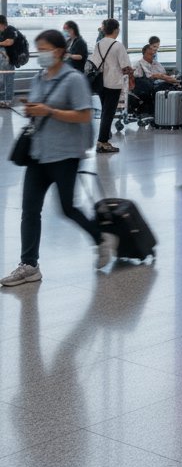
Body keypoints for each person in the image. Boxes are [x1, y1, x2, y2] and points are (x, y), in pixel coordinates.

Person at [1, 30, 116, 287]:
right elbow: (40, 110)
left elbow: (84, 115)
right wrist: (32, 108)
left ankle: (100, 239)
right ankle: (29, 264)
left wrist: (49, 111)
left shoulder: (73, 79)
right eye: (38, 48)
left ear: (59, 51)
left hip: (65, 154)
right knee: (30, 209)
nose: (40, 54)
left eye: (44, 48)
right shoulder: (39, 77)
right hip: (39, 152)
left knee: (67, 207)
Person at [89, 19, 133, 155]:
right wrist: (131, 74)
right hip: (113, 83)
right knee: (109, 113)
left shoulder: (98, 44)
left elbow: (95, 62)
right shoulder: (118, 46)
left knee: (104, 112)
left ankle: (104, 138)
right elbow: (125, 67)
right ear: (116, 30)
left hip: (101, 82)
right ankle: (102, 142)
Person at [0, 14, 19, 108]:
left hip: (9, 59)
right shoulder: (1, 32)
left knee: (9, 80)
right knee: (2, 80)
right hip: (2, 58)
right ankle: (2, 99)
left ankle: (8, 100)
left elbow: (9, 42)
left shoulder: (10, 30)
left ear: (2, 24)